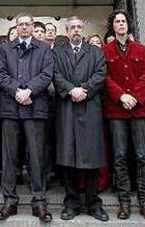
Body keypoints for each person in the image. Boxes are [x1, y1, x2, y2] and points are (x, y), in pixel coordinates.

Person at [0, 12, 54, 222]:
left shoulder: (44, 49)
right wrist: (17, 92)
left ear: (32, 26)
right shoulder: (5, 48)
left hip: (35, 107)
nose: (24, 27)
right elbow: (0, 75)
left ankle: (39, 201)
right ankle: (9, 201)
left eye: (28, 24)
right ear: (16, 27)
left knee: (36, 157)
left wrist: (29, 91)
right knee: (9, 157)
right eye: (20, 24)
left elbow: (47, 74)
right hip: (11, 108)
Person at [102, 10, 145, 221]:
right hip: (117, 111)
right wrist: (121, 96)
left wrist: (133, 97)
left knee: (142, 156)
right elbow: (105, 78)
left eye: (124, 21)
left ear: (128, 25)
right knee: (120, 156)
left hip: (139, 110)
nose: (121, 24)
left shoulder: (141, 50)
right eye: (117, 21)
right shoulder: (105, 50)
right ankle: (124, 201)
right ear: (113, 26)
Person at [54, 16, 108, 222]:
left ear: (83, 30)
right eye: (72, 28)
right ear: (66, 31)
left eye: (79, 27)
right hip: (67, 107)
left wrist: (83, 90)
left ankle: (94, 203)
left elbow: (100, 74)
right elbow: (56, 75)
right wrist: (71, 90)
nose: (76, 30)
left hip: (89, 107)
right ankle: (71, 202)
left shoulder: (96, 52)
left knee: (92, 157)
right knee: (68, 157)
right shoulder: (58, 52)